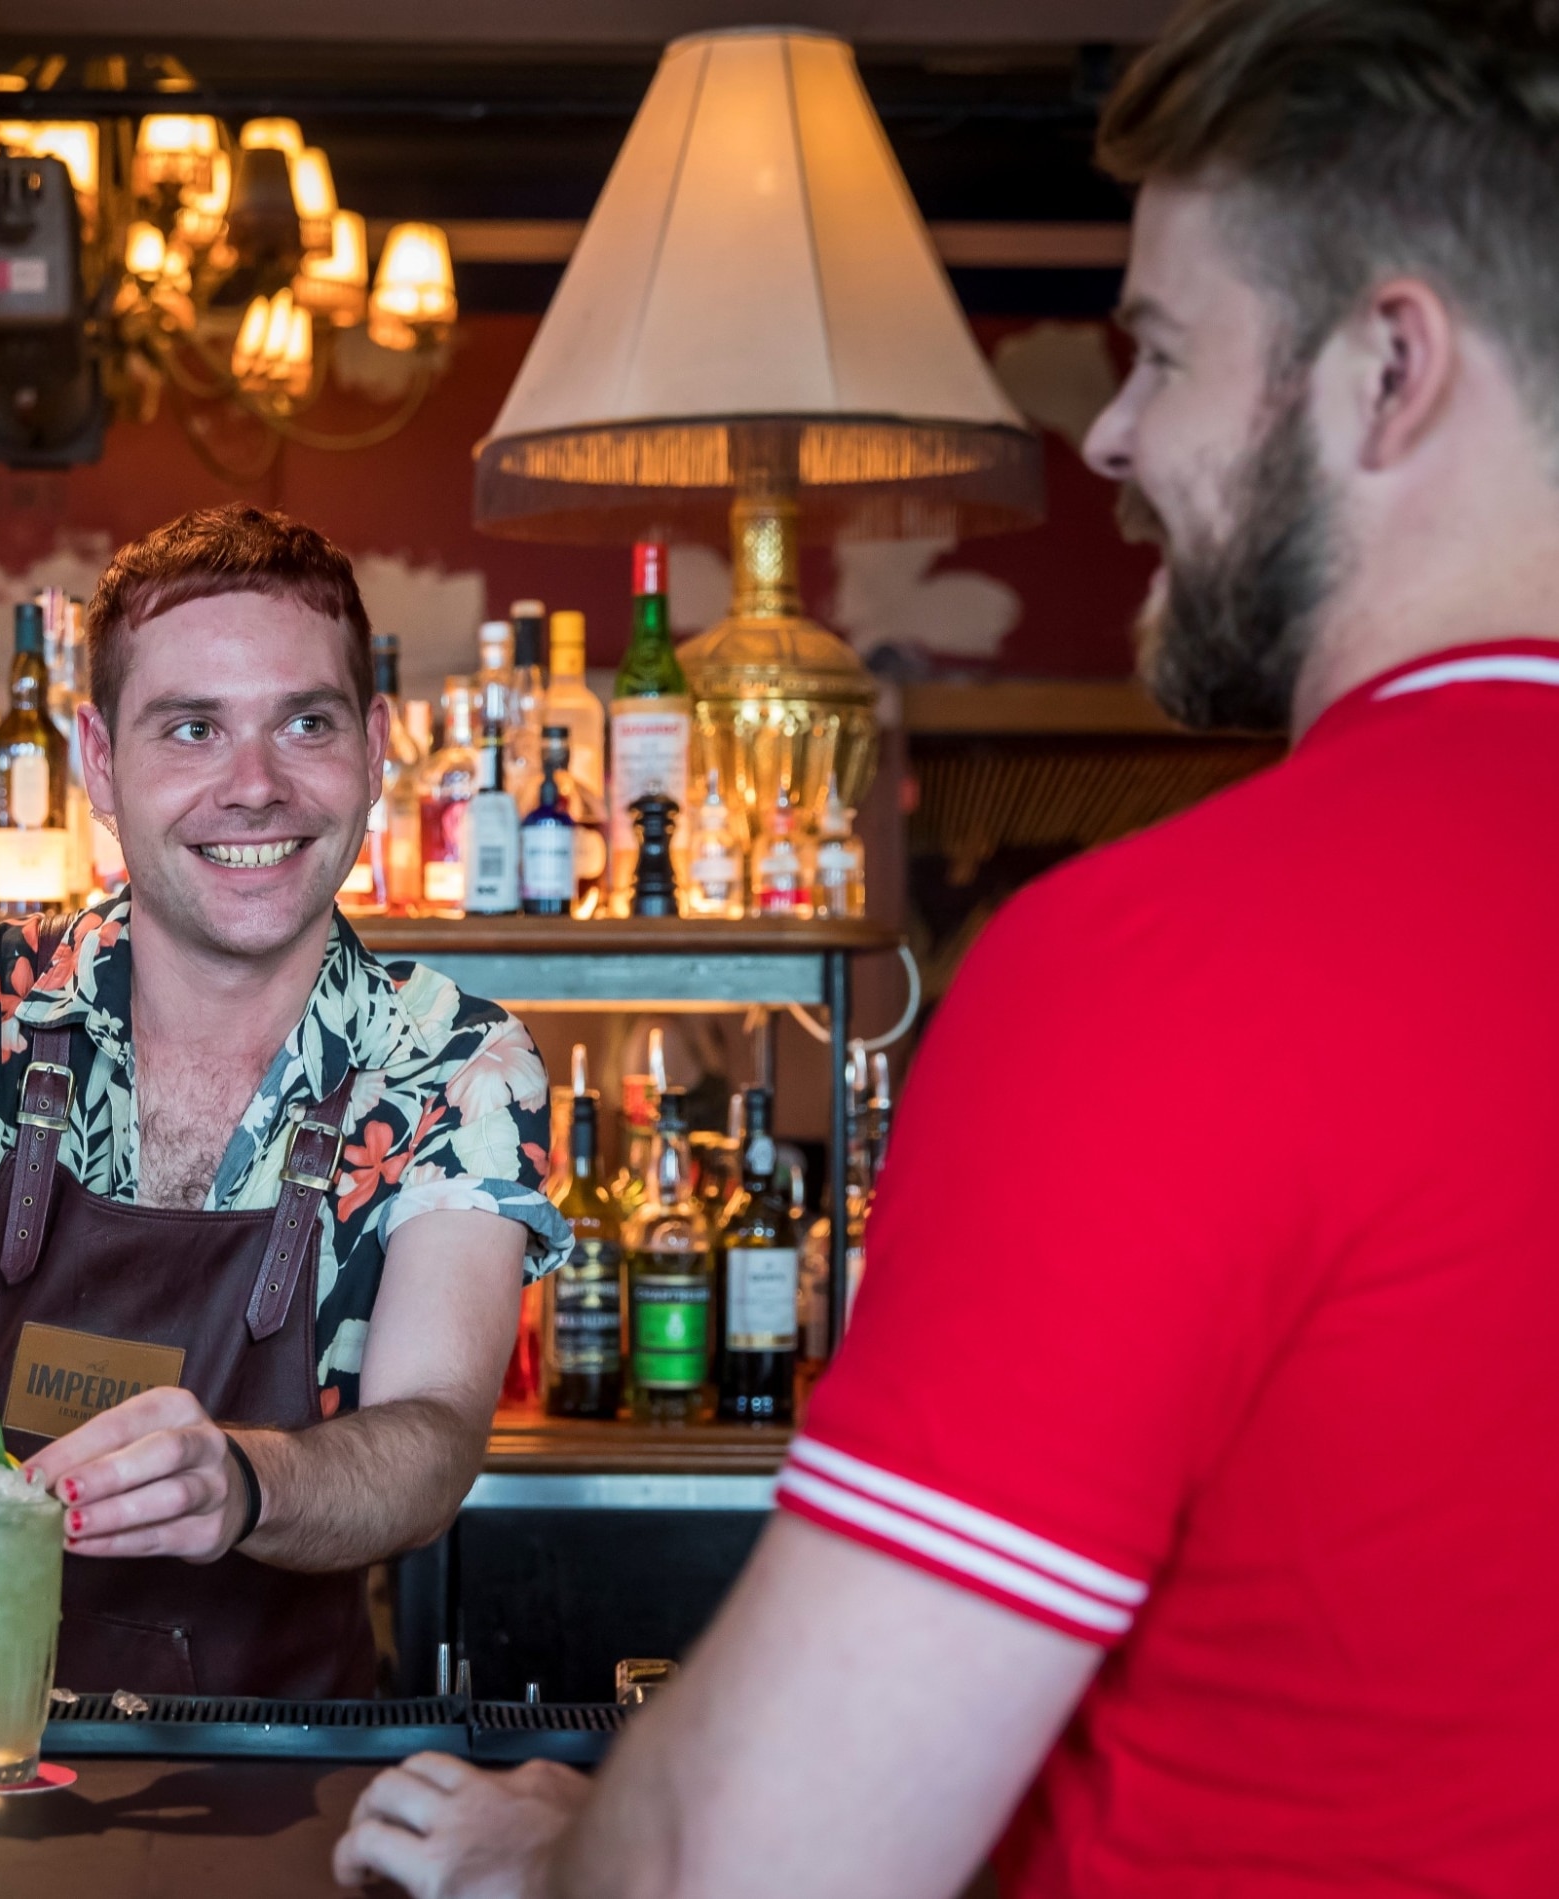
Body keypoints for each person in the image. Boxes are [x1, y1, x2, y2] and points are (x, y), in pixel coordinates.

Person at [332, 1, 1559, 1892]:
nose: (1110, 433)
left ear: (1385, 367)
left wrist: (567, 1857)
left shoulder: (1164, 969)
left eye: (1157, 351)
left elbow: (744, 1867)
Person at [0, 506, 568, 1696]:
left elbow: (430, 1441)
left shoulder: (450, 1062)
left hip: (255, 1793)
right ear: (100, 760)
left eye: (305, 723)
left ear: (375, 746)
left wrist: (246, 1482)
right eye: (193, 729)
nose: (254, 786)